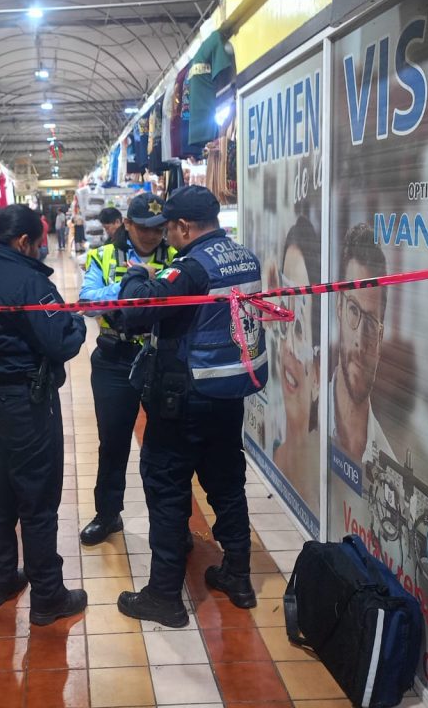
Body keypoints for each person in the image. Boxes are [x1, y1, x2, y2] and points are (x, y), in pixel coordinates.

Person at [114, 185, 268, 628]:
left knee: (166, 488)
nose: (167, 236)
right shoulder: (244, 257)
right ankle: (238, 576)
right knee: (226, 484)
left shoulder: (191, 268)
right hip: (228, 395)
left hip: (183, 399)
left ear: (183, 226)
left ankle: (164, 597)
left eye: (169, 228)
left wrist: (135, 274)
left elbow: (137, 309)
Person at [0, 204, 89, 625]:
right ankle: (48, 596)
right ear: (25, 241)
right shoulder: (28, 282)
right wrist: (78, 324)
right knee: (37, 499)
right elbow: (61, 342)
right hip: (25, 403)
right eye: (38, 243)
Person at [77, 194, 179, 546]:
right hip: (114, 359)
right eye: (143, 228)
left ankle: (172, 522)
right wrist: (129, 283)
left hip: (163, 358)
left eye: (158, 228)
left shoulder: (178, 256)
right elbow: (87, 303)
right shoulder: (103, 255)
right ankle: (107, 514)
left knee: (167, 444)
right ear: (127, 224)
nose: (151, 235)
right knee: (113, 441)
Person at [331, 223, 395, 467]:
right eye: (353, 310)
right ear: (339, 307)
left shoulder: (388, 464)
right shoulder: (310, 417)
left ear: (381, 335)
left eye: (371, 321)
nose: (360, 339)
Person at [270, 217, 321, 512]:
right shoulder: (272, 456)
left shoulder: (321, 500)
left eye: (300, 327)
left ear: (318, 373)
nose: (288, 346)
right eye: (285, 316)